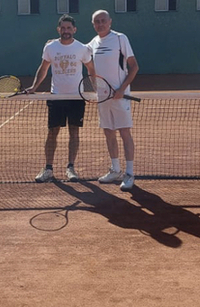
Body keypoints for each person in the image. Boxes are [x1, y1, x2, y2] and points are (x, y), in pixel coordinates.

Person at [26, 14, 96, 182]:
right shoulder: (50, 47)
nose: (66, 31)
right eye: (63, 28)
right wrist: (34, 87)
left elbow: (91, 71)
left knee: (74, 132)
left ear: (74, 30)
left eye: (69, 28)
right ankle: (48, 168)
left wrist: (95, 91)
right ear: (59, 29)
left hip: (76, 98)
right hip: (56, 96)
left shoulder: (82, 48)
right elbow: (43, 69)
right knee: (52, 133)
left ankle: (71, 168)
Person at [87, 10, 139, 191]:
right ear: (93, 24)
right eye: (96, 22)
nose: (100, 24)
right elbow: (81, 56)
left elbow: (134, 66)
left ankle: (130, 173)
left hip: (119, 96)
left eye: (103, 20)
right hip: (103, 97)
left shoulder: (120, 38)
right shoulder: (92, 43)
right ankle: (115, 169)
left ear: (110, 21)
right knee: (108, 132)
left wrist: (121, 89)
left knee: (124, 133)